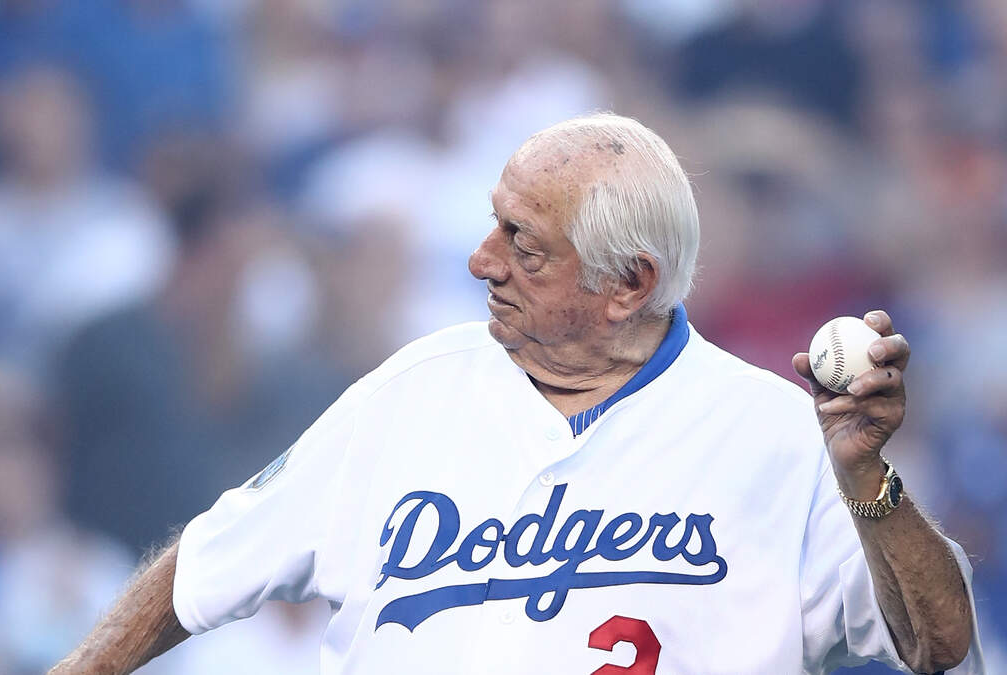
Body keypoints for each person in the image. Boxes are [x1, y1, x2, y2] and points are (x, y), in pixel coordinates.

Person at [50, 113, 982, 674]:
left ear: (629, 283)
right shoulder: (406, 395)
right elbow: (203, 567)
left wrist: (867, 480)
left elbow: (937, 646)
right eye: (495, 224)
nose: (480, 260)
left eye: (523, 244)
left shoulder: (776, 434)